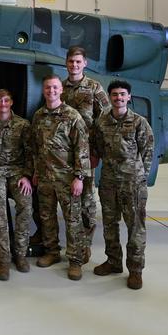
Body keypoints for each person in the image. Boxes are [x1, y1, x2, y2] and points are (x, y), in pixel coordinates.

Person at [91, 80, 154, 290]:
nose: (118, 98)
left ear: (129, 97)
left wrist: (140, 177)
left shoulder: (138, 122)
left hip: (133, 184)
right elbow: (98, 148)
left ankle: (135, 270)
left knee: (135, 226)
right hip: (109, 182)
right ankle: (113, 261)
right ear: (110, 97)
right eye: (115, 94)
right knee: (109, 224)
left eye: (122, 94)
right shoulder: (101, 122)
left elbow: (147, 150)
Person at [31, 74, 91, 281]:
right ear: (43, 90)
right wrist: (36, 172)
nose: (51, 91)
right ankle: (52, 252)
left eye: (55, 88)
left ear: (61, 90)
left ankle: (75, 260)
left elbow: (82, 148)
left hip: (67, 178)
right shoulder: (38, 116)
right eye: (48, 88)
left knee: (73, 220)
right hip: (46, 177)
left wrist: (79, 177)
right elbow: (36, 148)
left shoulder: (72, 116)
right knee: (46, 218)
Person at [60, 45, 111, 263]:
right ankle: (72, 244)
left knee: (87, 203)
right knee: (70, 202)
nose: (74, 65)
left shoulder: (94, 88)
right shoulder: (59, 88)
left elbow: (106, 121)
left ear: (85, 64)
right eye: (71, 61)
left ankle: (85, 246)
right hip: (63, 155)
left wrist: (97, 152)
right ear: (66, 63)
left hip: (86, 154)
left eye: (78, 62)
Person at [0, 89, 34, 280]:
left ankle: (20, 253)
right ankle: (4, 258)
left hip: (17, 173)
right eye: (0, 100)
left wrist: (27, 176)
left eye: (6, 100)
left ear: (11, 102)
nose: (3, 103)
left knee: (25, 205)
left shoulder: (22, 125)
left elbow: (30, 153)